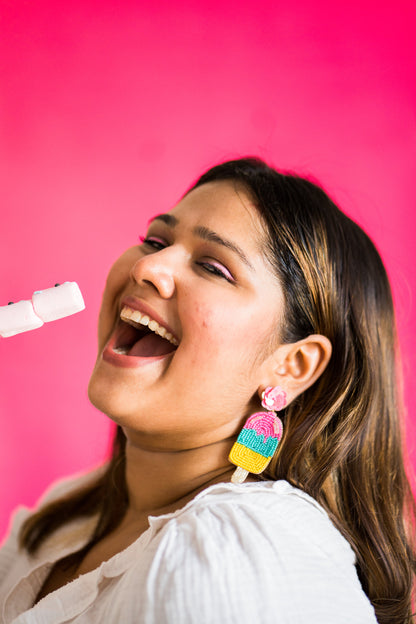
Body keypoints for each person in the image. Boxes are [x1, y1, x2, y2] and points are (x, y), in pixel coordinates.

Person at [0, 157, 414, 624]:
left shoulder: (242, 550)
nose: (149, 266)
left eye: (214, 267)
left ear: (291, 365)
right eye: (156, 240)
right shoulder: (66, 512)